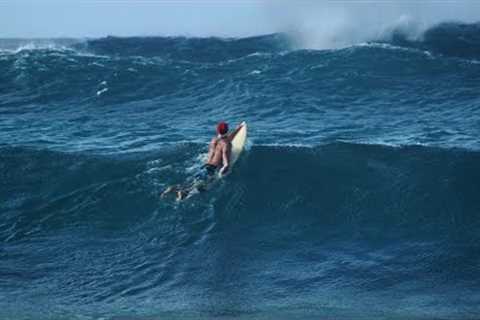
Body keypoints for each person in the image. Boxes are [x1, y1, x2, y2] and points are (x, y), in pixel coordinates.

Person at [161, 121, 243, 201]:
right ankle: (183, 193)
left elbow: (226, 139)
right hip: (212, 170)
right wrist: (223, 173)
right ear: (227, 130)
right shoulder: (226, 144)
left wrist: (237, 129)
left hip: (204, 167)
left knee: (189, 183)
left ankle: (172, 189)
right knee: (204, 188)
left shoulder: (214, 140)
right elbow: (226, 163)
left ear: (217, 130)